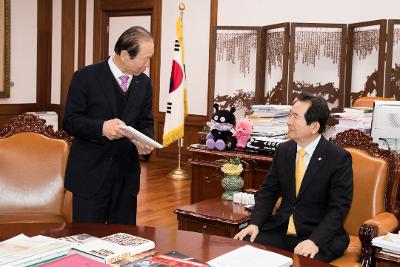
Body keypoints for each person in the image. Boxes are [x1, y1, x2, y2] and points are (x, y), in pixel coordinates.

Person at [234, 93, 353, 262]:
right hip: (282, 230)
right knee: (246, 245)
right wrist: (255, 223)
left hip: (318, 235)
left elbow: (339, 208)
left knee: (305, 260)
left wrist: (315, 241)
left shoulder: (338, 158)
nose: (289, 121)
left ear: (314, 127)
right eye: (290, 114)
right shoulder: (284, 150)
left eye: (295, 117)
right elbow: (268, 191)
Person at [62, 26, 155, 225]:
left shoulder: (144, 83)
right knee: (86, 240)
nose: (147, 65)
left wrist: (144, 142)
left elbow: (146, 122)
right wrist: (101, 128)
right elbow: (70, 121)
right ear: (124, 55)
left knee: (123, 241)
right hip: (90, 176)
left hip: (126, 179)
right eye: (145, 59)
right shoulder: (85, 77)